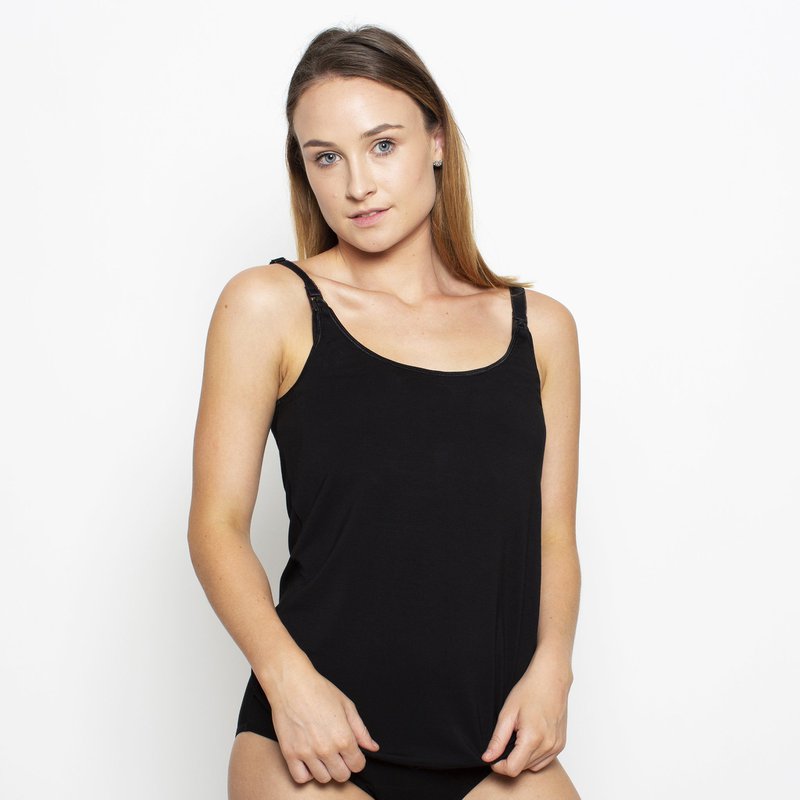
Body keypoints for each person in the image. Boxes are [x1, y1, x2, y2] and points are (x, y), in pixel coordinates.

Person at [188, 23, 582, 800]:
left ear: (435, 141)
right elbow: (216, 526)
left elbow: (554, 537)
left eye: (382, 145)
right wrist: (287, 681)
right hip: (317, 744)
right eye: (325, 157)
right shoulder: (269, 305)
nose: (357, 185)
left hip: (494, 747)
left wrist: (553, 668)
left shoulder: (541, 330)